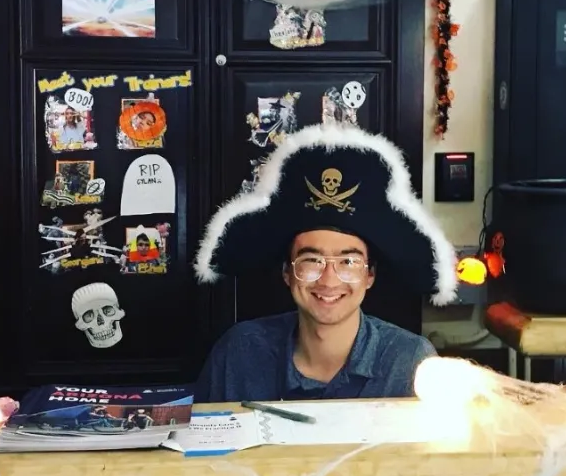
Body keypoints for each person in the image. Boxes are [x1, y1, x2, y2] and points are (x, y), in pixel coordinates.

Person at [193, 125, 457, 402]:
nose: (329, 280)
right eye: (312, 260)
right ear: (287, 272)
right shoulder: (239, 354)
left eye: (348, 261)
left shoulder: (409, 362)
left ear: (370, 275)